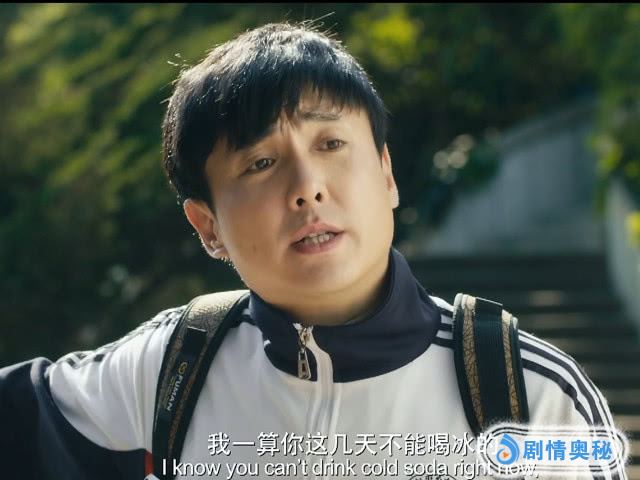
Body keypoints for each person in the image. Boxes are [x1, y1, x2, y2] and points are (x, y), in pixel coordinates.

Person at [0, 22, 627, 480]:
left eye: (330, 144)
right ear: (207, 225)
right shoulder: (171, 364)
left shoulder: (529, 392)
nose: (307, 188)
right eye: (261, 163)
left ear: (386, 173)